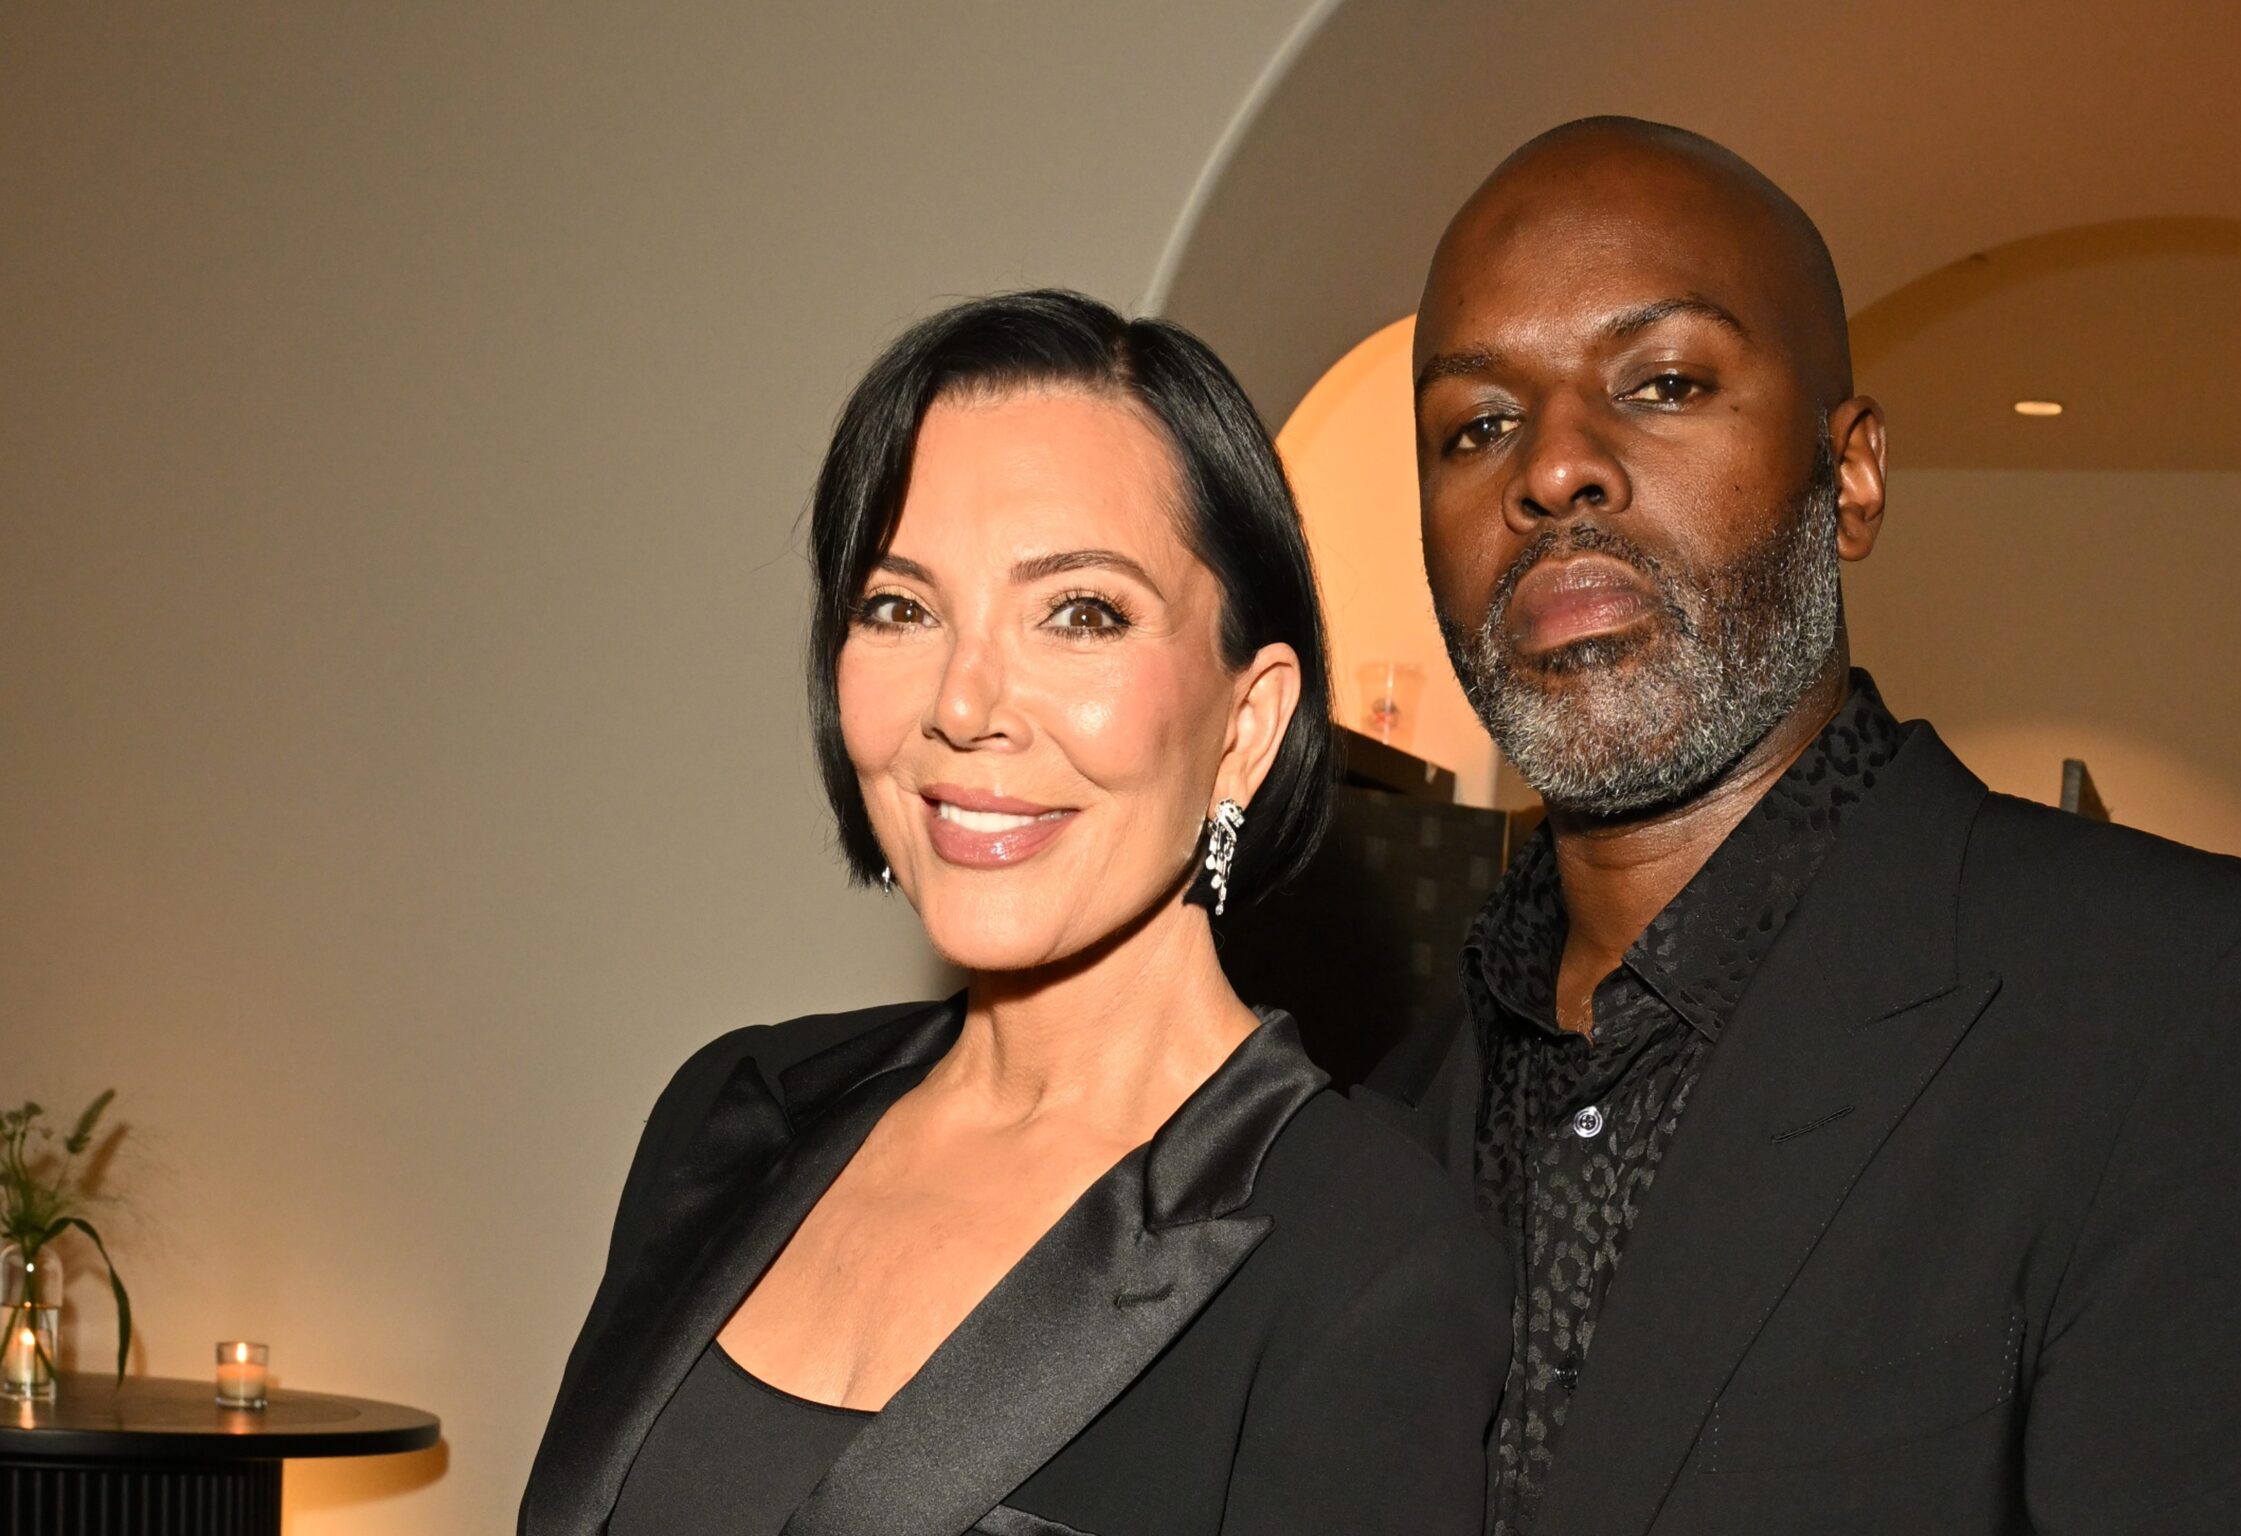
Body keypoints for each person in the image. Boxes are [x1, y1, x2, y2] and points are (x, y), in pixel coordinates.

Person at [1360, 118, 2241, 1534]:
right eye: (1476, 425)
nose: (1552, 468)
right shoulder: (1370, 1115)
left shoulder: (2198, 1014)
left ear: (1850, 477)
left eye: (1664, 382)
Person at [522, 291, 1509, 1536]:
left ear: (1246, 724)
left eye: (1080, 613)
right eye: (901, 607)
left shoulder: (1368, 1259)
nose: (962, 702)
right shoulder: (724, 1117)